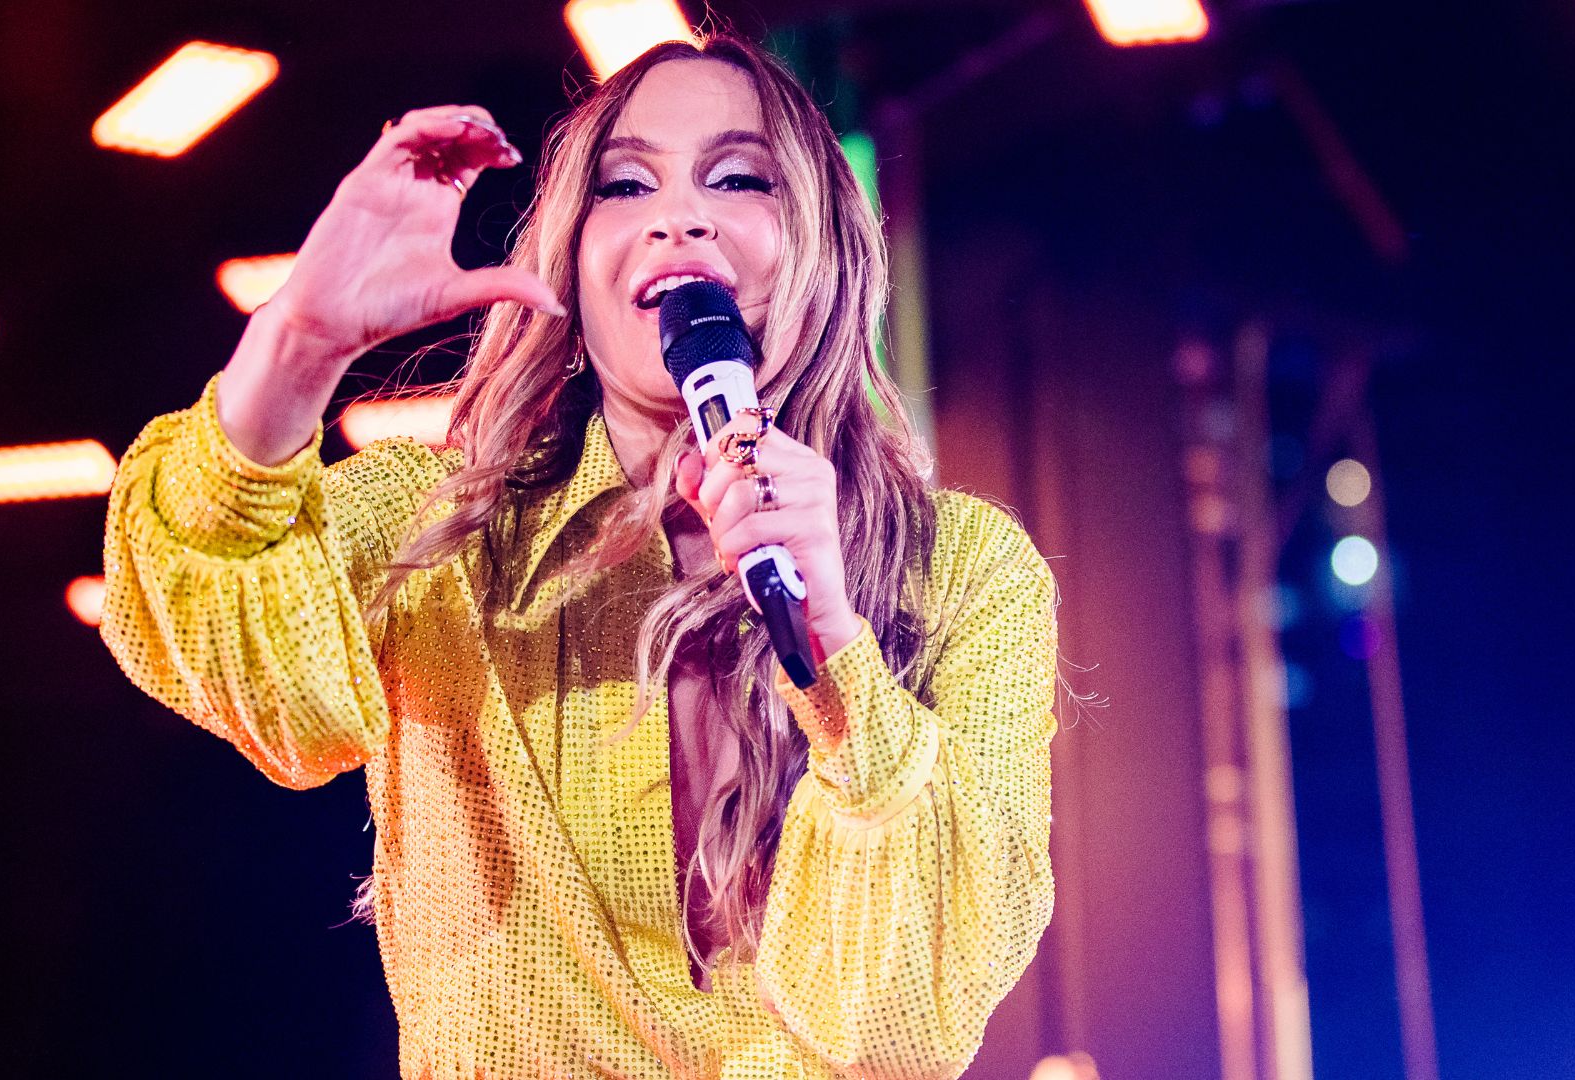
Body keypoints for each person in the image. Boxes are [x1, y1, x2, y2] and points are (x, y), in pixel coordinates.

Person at [100, 34, 1059, 1080]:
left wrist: (836, 647)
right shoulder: (441, 534)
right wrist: (300, 341)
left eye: (738, 177)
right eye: (625, 183)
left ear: (825, 246)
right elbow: (233, 653)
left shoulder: (966, 571)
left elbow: (906, 1023)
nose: (675, 216)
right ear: (572, 258)